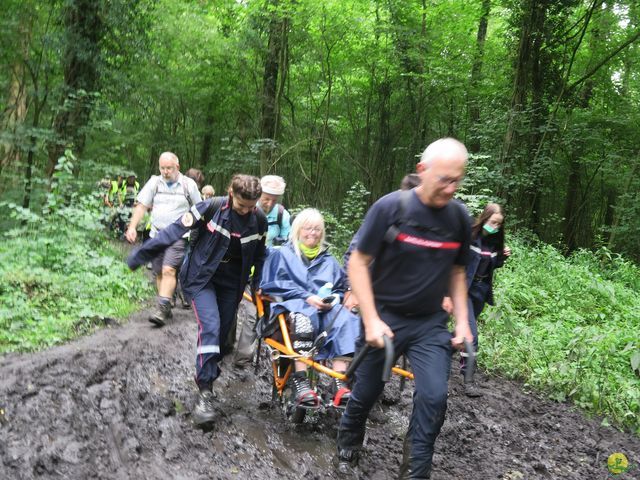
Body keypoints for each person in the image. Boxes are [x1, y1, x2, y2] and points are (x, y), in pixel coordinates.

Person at [335, 138, 474, 480]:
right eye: (444, 179)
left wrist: (463, 321)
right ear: (422, 171)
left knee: (434, 397)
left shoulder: (459, 217)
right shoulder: (390, 208)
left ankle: (414, 470)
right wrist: (370, 319)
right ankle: (348, 446)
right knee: (366, 392)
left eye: (458, 180)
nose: (451, 187)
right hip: (385, 317)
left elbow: (457, 271)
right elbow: (358, 263)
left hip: (429, 323)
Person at [127, 174, 267, 426]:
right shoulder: (210, 208)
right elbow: (173, 231)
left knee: (222, 335)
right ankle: (205, 393)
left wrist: (258, 285)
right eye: (241, 206)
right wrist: (141, 255)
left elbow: (259, 255)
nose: (246, 212)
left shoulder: (259, 220)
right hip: (202, 278)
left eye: (251, 207)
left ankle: (208, 373)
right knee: (210, 327)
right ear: (230, 193)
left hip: (232, 284)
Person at [258, 208, 360, 407]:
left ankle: (339, 383)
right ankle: (301, 381)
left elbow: (340, 289)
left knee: (348, 320)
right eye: (308, 229)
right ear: (297, 230)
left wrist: (332, 299)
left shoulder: (329, 261)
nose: (312, 233)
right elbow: (270, 284)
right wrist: (306, 296)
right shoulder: (282, 254)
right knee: (303, 319)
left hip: (324, 311)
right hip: (292, 307)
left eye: (317, 229)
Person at [125, 152, 202, 326]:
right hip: (157, 235)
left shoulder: (188, 185)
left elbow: (200, 209)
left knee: (169, 270)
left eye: (169, 168)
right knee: (159, 272)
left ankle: (161, 308)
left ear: (177, 167)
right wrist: (132, 227)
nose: (166, 172)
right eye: (162, 168)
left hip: (179, 236)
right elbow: (142, 205)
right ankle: (166, 305)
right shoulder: (154, 182)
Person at [232, 174, 292, 367]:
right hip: (236, 268)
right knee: (229, 308)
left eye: (274, 200)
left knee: (252, 314)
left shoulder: (282, 216)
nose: (269, 203)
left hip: (263, 273)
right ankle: (224, 345)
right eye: (266, 198)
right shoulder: (244, 209)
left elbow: (288, 245)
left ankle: (242, 358)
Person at [460, 202, 511, 397]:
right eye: (493, 222)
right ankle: (468, 380)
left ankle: (438, 350)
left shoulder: (495, 242)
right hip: (464, 290)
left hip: (481, 290)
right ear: (484, 219)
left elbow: (493, 264)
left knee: (461, 334)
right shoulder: (470, 237)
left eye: (499, 224)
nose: (495, 227)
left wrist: (503, 257)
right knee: (471, 335)